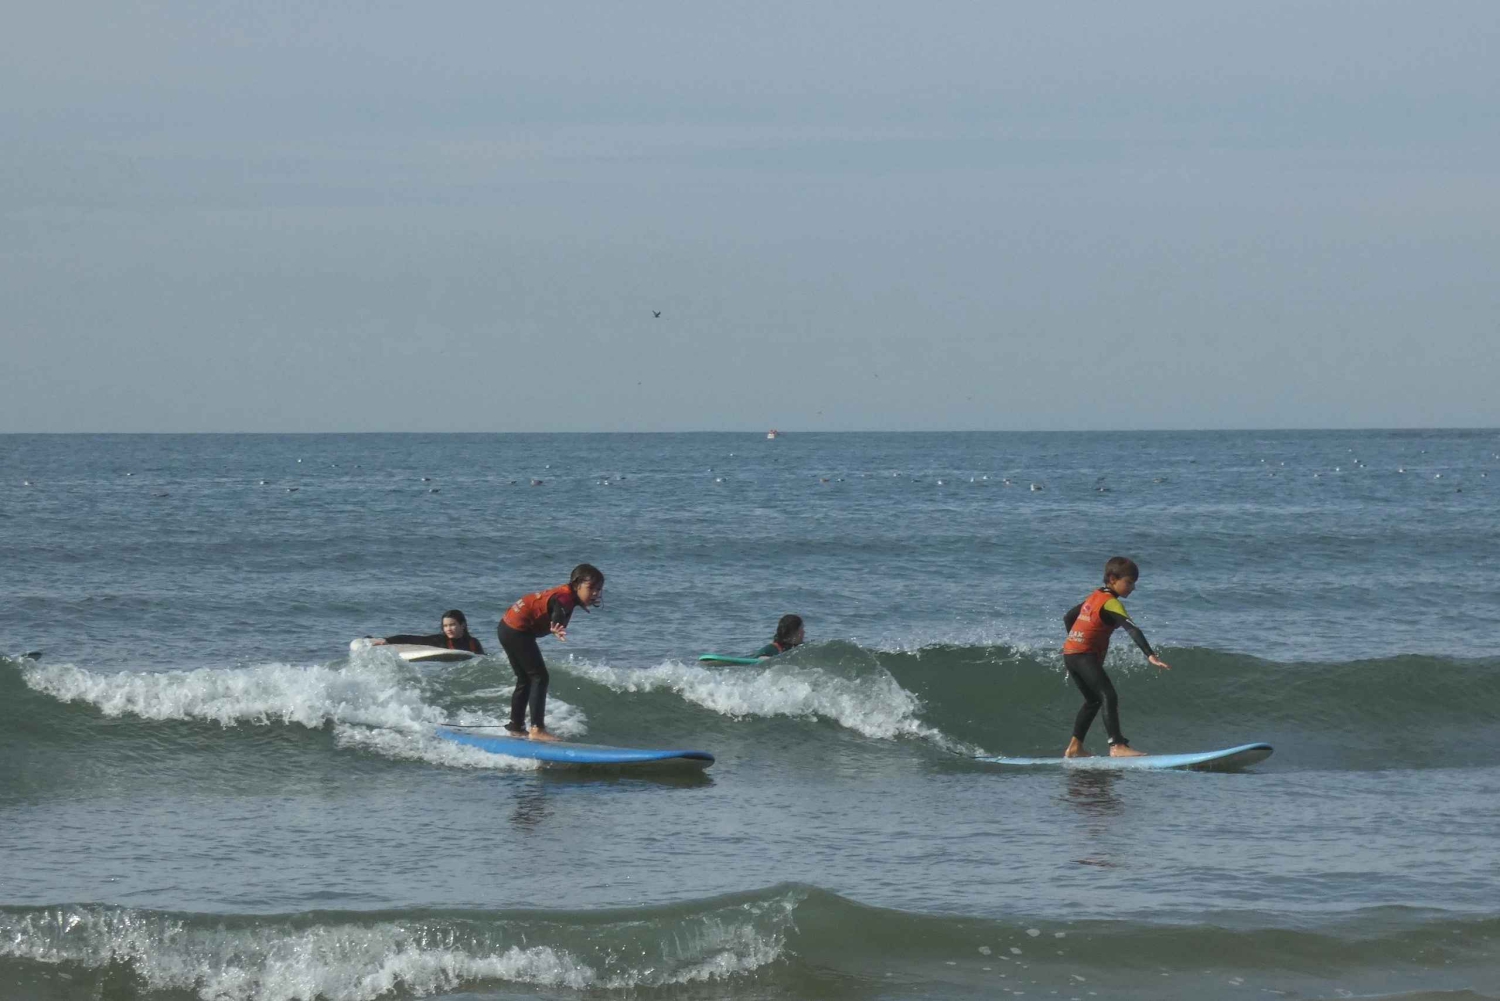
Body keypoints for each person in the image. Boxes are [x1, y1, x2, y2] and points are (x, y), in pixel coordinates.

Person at [1061, 557, 1171, 758]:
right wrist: (1150, 655)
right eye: (1129, 583)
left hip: (1070, 654)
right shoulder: (1111, 603)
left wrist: (1077, 639)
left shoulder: (1094, 597)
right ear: (1113, 579)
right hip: (1083, 655)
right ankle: (1117, 746)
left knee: (1093, 700)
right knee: (1108, 695)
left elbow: (1068, 617)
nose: (1132, 588)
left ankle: (1075, 747)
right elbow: (1132, 629)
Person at [497, 564, 605, 741]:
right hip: (516, 631)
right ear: (576, 584)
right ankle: (537, 729)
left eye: (598, 589)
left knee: (525, 678)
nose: (595, 593)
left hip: (507, 628)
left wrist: (557, 623)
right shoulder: (564, 597)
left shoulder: (567, 595)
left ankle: (516, 727)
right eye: (590, 588)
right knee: (540, 677)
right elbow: (557, 607)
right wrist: (557, 625)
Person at [369, 610, 484, 653]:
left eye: (452, 625)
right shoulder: (440, 640)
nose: (448, 629)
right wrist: (388, 640)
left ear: (462, 625)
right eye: (445, 626)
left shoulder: (473, 643)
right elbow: (413, 639)